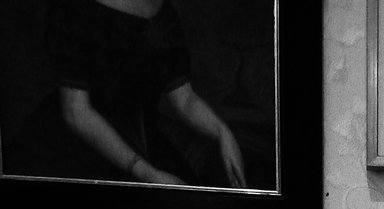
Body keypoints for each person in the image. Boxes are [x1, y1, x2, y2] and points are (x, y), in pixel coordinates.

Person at [41, 0, 246, 188]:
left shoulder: (162, 14)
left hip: (144, 142)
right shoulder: (75, 9)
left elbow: (184, 100)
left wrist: (222, 132)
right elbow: (77, 113)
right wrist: (146, 172)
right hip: (88, 144)